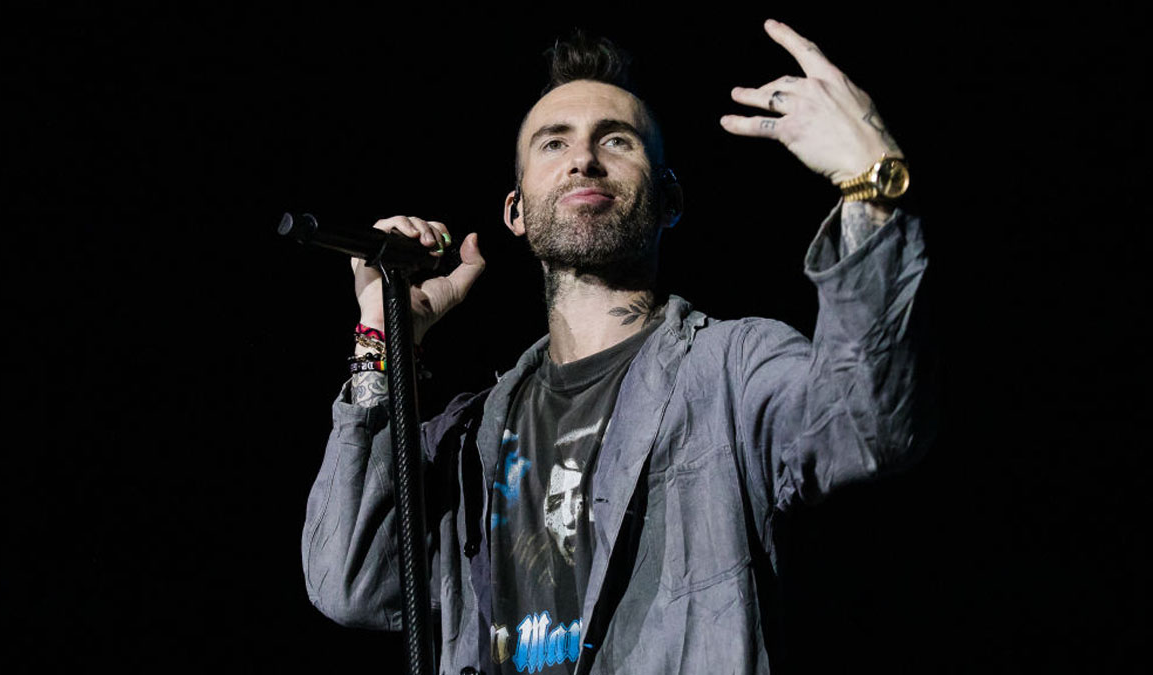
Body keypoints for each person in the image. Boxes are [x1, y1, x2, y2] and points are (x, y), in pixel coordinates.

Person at [302, 20, 930, 675]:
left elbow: (870, 423)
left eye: (616, 140)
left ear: (669, 200)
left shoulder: (733, 368)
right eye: (554, 143)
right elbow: (351, 582)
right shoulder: (468, 436)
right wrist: (383, 337)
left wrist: (870, 186)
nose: (583, 159)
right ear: (516, 213)